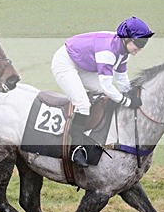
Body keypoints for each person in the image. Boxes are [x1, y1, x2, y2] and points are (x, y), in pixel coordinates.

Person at [51, 16, 154, 167]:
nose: (140, 49)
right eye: (138, 44)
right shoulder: (109, 51)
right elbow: (108, 86)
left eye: (143, 44)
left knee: (103, 92)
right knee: (83, 104)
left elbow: (121, 78)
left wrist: (131, 94)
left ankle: (92, 131)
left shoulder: (123, 51)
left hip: (83, 65)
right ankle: (75, 149)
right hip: (65, 63)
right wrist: (127, 101)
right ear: (126, 39)